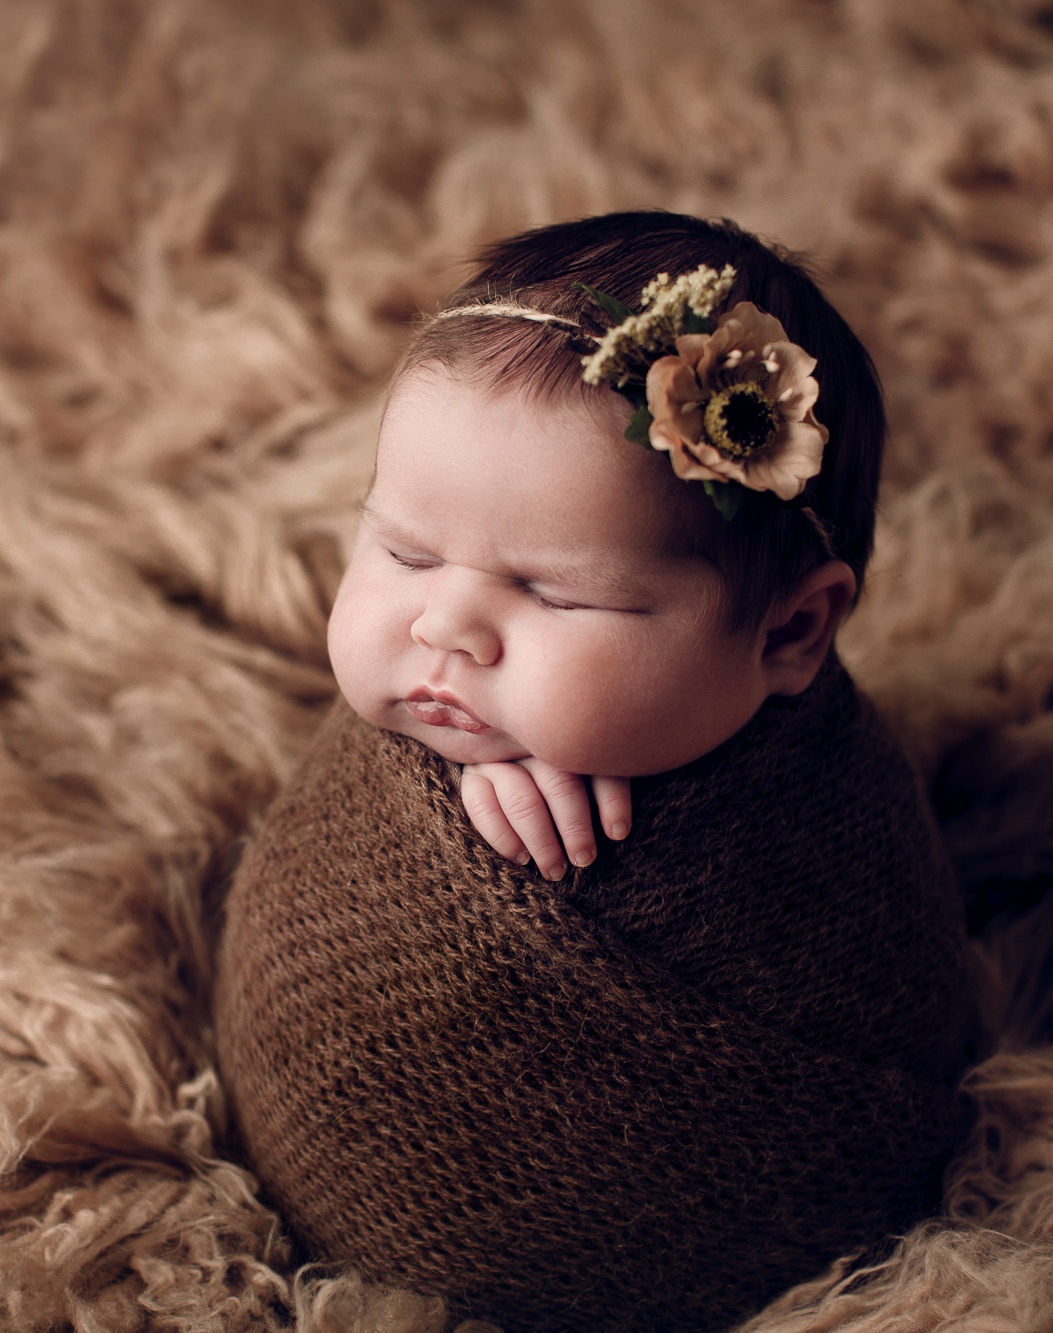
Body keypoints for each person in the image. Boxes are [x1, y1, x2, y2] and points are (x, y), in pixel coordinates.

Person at [214, 212, 974, 1333]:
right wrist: (449, 804)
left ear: (789, 633)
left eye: (557, 595)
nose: (447, 627)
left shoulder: (820, 833)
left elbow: (884, 998)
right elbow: (327, 867)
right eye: (403, 551)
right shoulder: (431, 688)